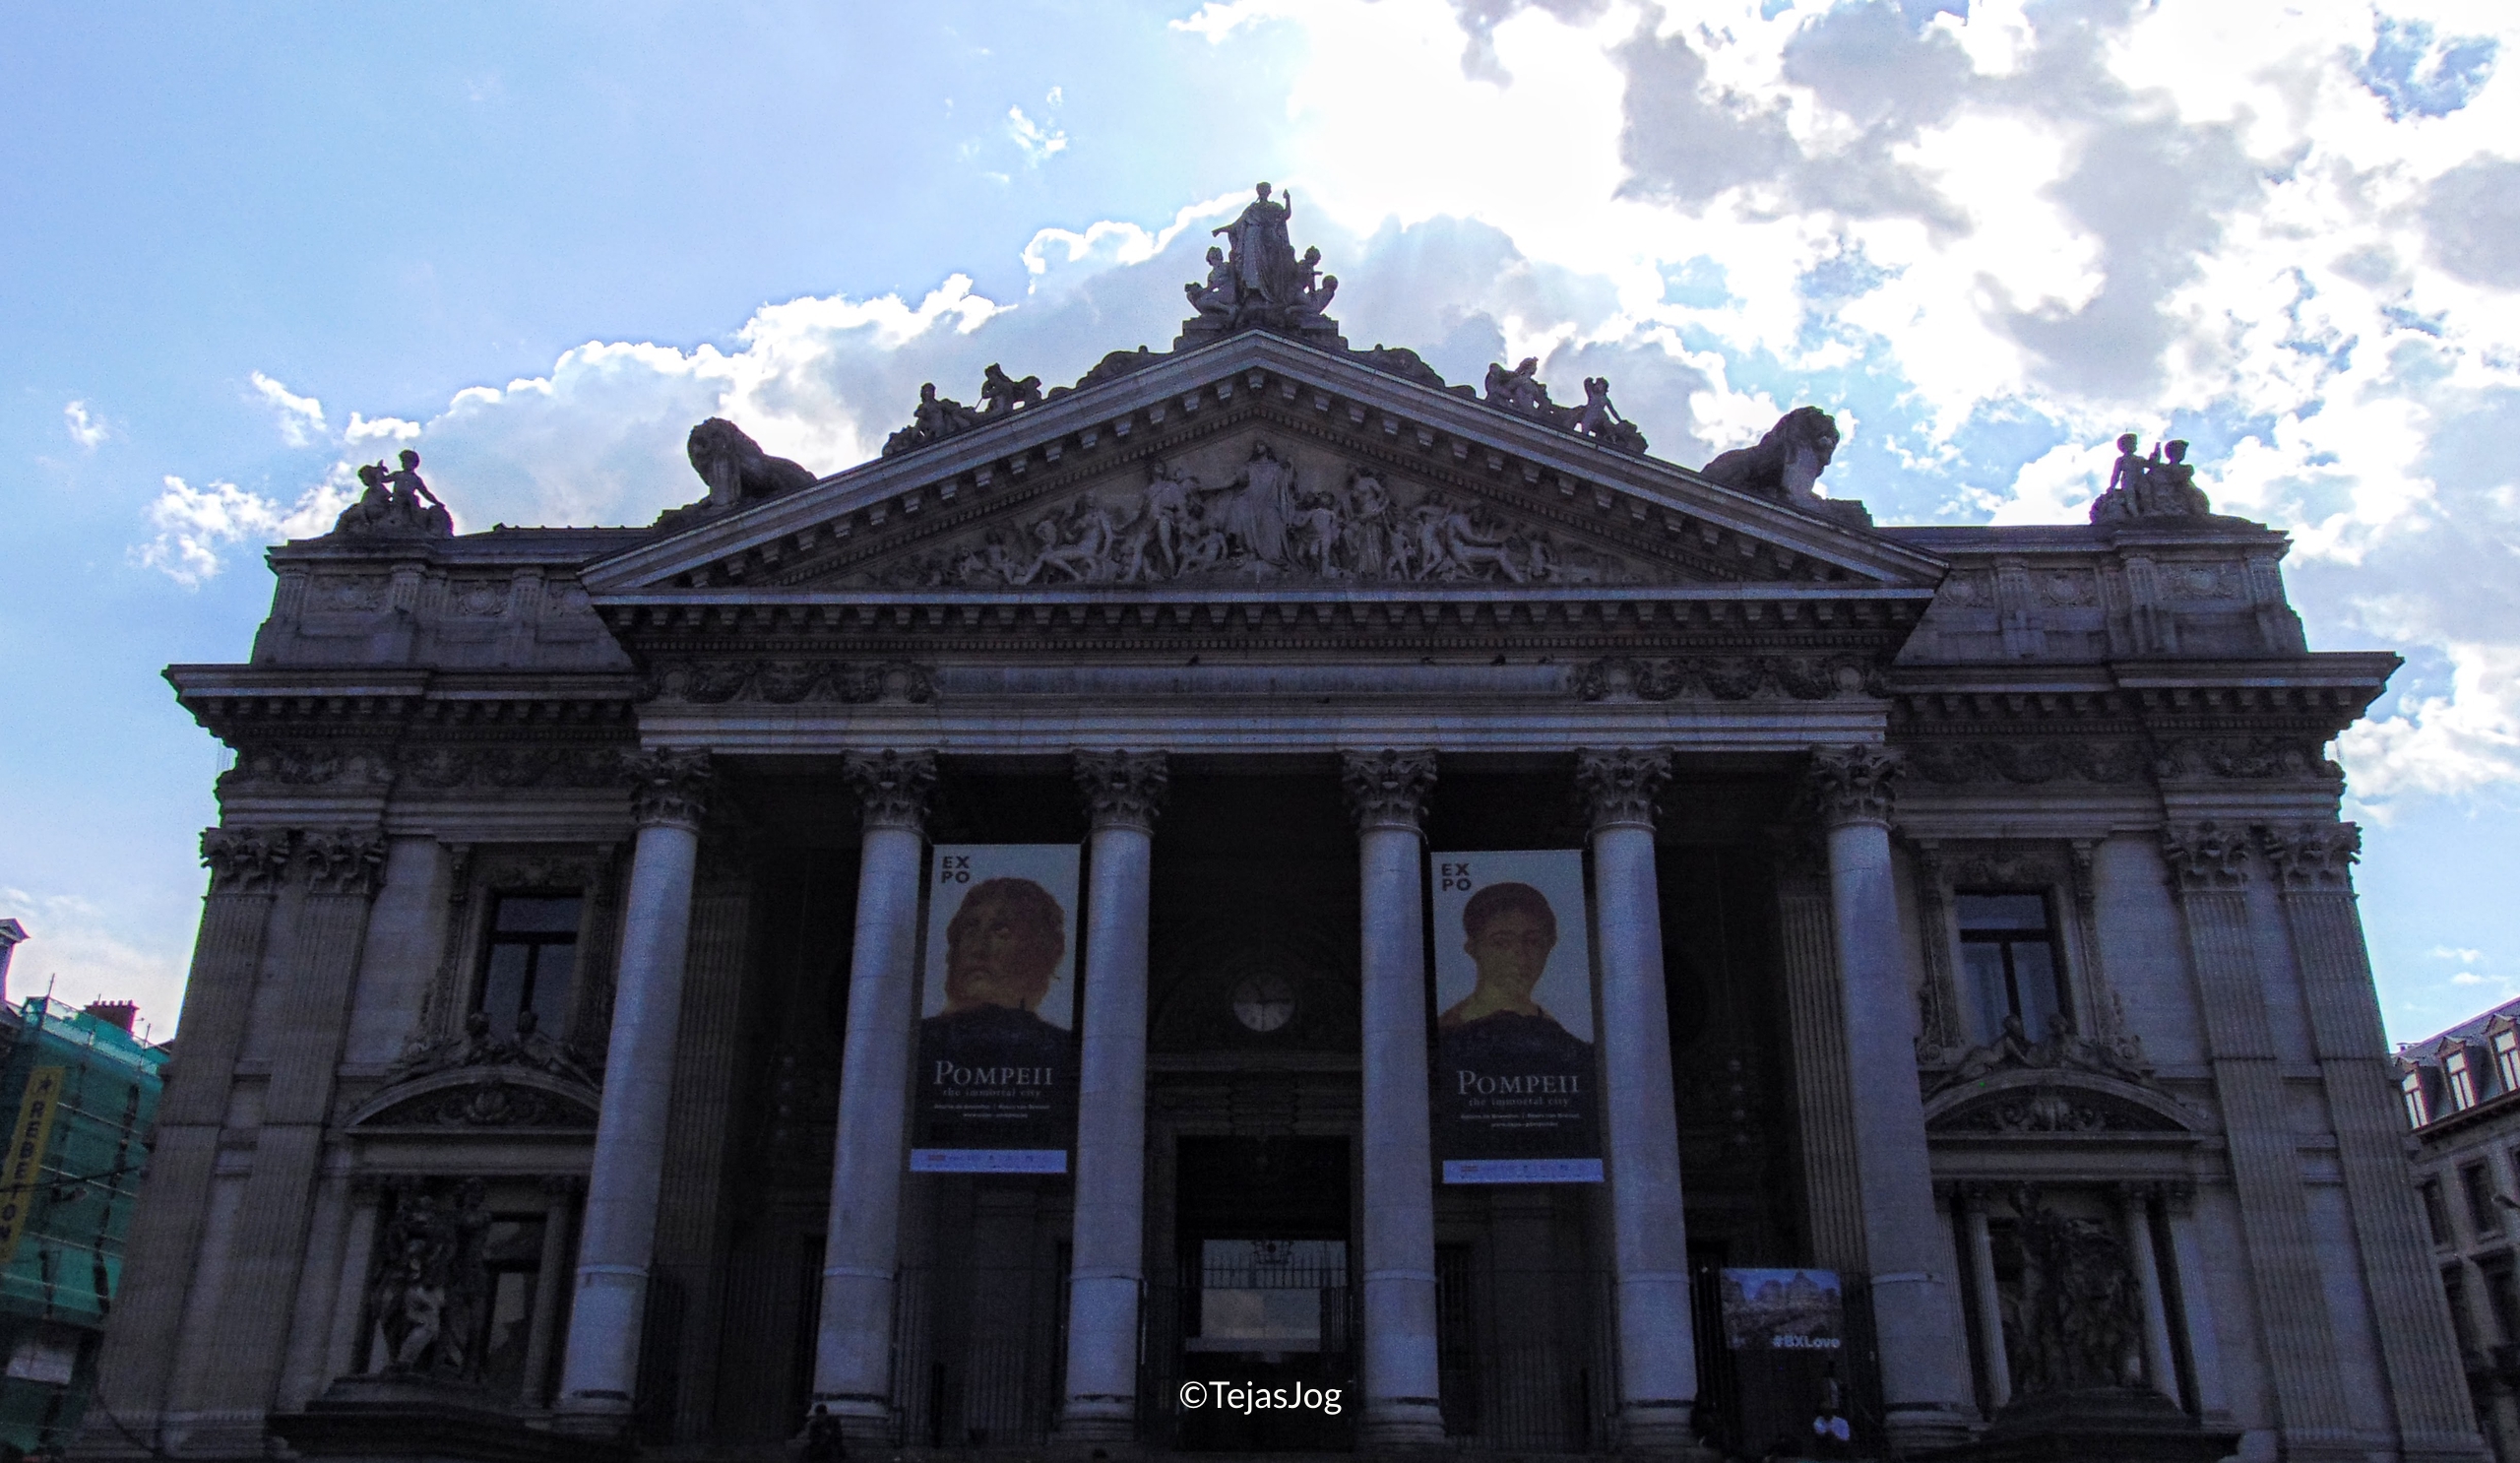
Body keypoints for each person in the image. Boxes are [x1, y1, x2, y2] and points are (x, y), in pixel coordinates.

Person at [915, 877, 1074, 1144]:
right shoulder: (917, 1044)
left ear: (1042, 950)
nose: (978, 948)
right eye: (969, 929)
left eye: (1001, 933)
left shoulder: (1062, 1051)